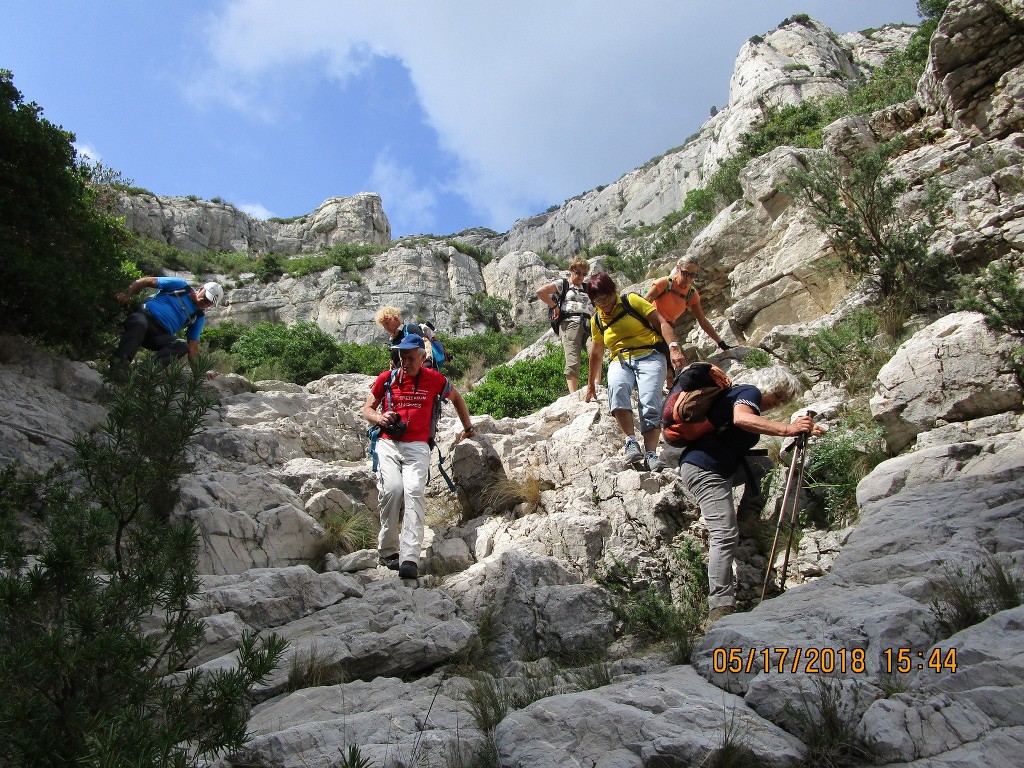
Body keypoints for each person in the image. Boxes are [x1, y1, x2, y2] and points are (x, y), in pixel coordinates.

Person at [678, 381, 824, 626]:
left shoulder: (740, 397)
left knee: (764, 466)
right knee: (724, 534)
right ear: (771, 387)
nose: (777, 403)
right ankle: (720, 606)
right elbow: (741, 420)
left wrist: (798, 431)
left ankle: (746, 520)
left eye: (783, 401)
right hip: (705, 469)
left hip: (721, 466)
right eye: (778, 396)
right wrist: (789, 429)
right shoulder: (749, 392)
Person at [360, 333, 476, 579]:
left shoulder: (434, 379)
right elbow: (367, 408)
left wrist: (468, 428)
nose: (405, 362)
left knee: (413, 491)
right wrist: (380, 418)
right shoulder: (386, 379)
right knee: (392, 490)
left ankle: (410, 558)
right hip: (388, 443)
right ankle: (388, 550)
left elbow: (457, 398)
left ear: (422, 358)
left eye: (410, 357)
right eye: (402, 357)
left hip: (418, 446)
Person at [584, 272, 685, 472]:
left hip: (650, 354)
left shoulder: (631, 301)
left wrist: (674, 348)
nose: (603, 304)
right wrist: (590, 384)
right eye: (597, 301)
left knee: (649, 402)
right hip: (620, 360)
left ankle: (651, 454)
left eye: (605, 297)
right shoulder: (597, 320)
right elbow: (596, 353)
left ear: (613, 291)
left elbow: (662, 323)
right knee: (617, 388)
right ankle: (630, 442)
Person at [644, 256, 730, 388]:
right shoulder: (664, 283)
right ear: (678, 269)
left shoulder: (691, 294)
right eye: (685, 273)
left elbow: (702, 321)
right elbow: (643, 305)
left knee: (677, 362)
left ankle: (671, 389)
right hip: (650, 324)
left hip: (668, 329)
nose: (688, 278)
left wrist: (721, 343)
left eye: (693, 275)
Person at [113, 276, 223, 374]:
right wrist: (127, 295)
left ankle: (143, 374)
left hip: (157, 336)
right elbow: (146, 281)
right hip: (143, 317)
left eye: (211, 302)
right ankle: (118, 369)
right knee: (139, 323)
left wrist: (202, 371)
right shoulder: (180, 285)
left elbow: (192, 348)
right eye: (207, 297)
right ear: (201, 289)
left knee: (182, 345)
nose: (207, 302)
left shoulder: (198, 317)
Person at [536, 256, 593, 392]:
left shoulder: (587, 288)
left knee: (595, 353)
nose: (580, 277)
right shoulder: (563, 284)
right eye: (578, 272)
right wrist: (554, 306)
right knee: (573, 359)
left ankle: (596, 386)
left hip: (590, 325)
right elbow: (541, 292)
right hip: (570, 324)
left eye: (584, 274)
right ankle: (574, 395)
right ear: (570, 270)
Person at [375, 306, 440, 370]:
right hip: (405, 376)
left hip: (420, 374)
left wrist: (426, 366)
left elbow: (425, 343)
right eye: (384, 325)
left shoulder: (409, 329)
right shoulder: (393, 340)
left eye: (387, 323)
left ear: (396, 318)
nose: (386, 327)